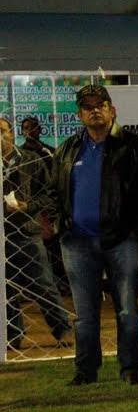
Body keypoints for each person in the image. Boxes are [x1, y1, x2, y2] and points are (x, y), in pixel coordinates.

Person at [49, 84, 138, 386]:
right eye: (87, 106)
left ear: (112, 110)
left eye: (100, 105)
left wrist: (137, 229)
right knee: (84, 313)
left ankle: (130, 367)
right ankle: (86, 371)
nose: (94, 110)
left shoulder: (136, 146)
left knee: (127, 308)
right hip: (77, 242)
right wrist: (59, 225)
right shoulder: (66, 149)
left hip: (122, 240)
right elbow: (55, 191)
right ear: (80, 115)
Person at [2, 117, 70, 352]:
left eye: (2, 131)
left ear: (12, 133)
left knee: (43, 284)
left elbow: (48, 194)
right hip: (1, 234)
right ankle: (13, 334)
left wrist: (28, 206)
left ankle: (62, 329)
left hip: (26, 232)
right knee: (5, 290)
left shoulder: (31, 160)